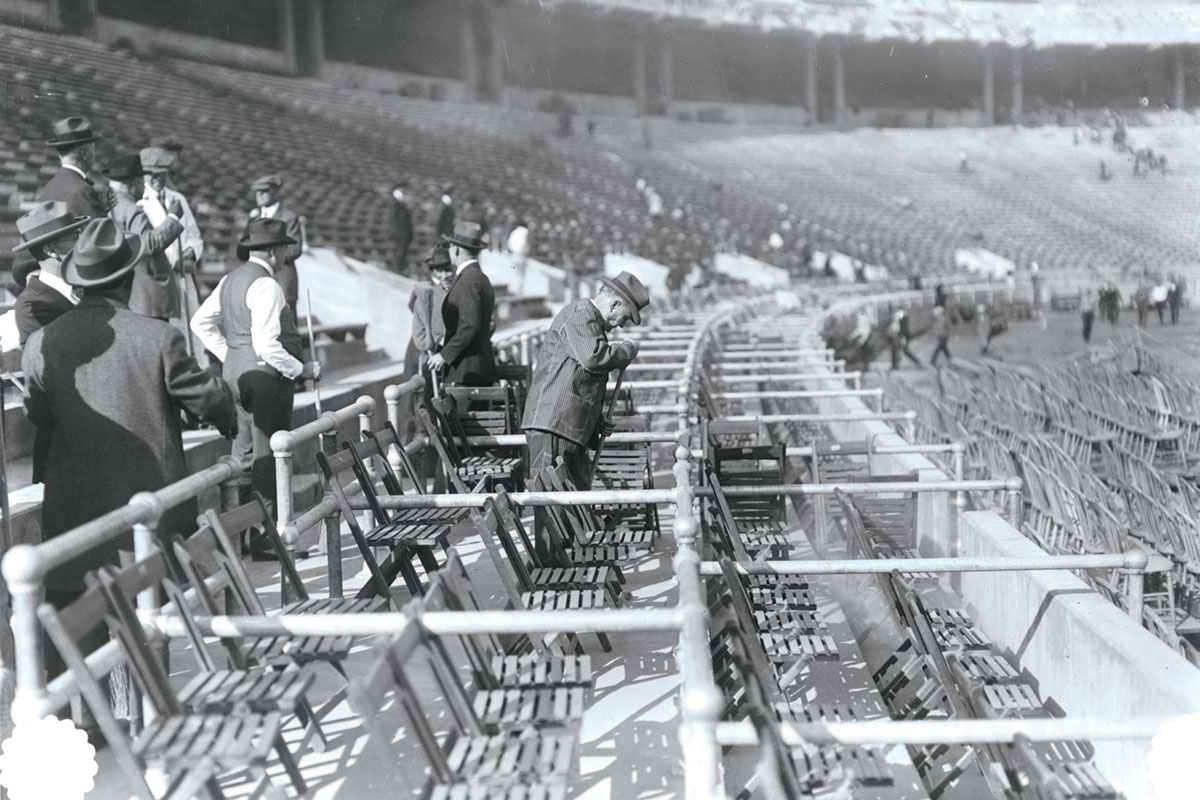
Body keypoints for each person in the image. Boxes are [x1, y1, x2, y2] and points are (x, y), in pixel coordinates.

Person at [22, 216, 236, 680]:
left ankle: (94, 720)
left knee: (81, 616)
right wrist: (228, 415)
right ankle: (143, 705)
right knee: (147, 616)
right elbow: (205, 397)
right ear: (128, 276)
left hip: (74, 507)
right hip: (149, 507)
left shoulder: (40, 344)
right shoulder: (158, 337)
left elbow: (39, 415)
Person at [191, 218, 321, 511]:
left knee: (245, 453)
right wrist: (303, 370)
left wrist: (231, 354)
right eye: (285, 250)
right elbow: (265, 344)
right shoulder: (267, 285)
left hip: (234, 375)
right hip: (265, 379)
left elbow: (199, 322)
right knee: (270, 455)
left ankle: (243, 532)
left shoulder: (229, 279)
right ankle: (266, 536)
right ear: (274, 251)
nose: (287, 257)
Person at [521, 271, 648, 558]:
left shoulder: (591, 323)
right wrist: (625, 350)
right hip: (552, 425)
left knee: (574, 500)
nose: (620, 325)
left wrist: (595, 419)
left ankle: (568, 562)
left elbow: (579, 380)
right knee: (551, 501)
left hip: (569, 427)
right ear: (614, 304)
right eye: (624, 318)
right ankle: (548, 569)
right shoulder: (580, 314)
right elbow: (593, 359)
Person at [103, 154, 186, 321]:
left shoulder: (113, 207)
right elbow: (148, 244)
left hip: (131, 294)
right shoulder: (130, 209)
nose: (144, 185)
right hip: (147, 296)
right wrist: (173, 218)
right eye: (142, 181)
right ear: (133, 183)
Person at [141, 146, 205, 339]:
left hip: (185, 274)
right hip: (161, 277)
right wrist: (174, 261)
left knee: (192, 327)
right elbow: (146, 241)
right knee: (173, 331)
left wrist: (191, 252)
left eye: (161, 174)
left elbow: (193, 233)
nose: (157, 179)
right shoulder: (140, 202)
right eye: (151, 174)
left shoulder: (178, 198)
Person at [427, 211, 497, 387]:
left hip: (468, 371)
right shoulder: (479, 277)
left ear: (455, 249)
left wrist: (444, 354)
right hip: (475, 368)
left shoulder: (468, 280)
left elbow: (470, 325)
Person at [10, 201, 89, 345]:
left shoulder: (88, 283)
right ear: (51, 250)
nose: (84, 242)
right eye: (75, 237)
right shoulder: (32, 307)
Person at [245, 174, 303, 310]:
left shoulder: (288, 217)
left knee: (286, 328)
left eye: (264, 191)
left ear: (276, 193)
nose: (259, 195)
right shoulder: (254, 218)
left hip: (282, 280)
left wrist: (265, 258)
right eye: (257, 191)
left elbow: (294, 250)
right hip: (258, 281)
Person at [38, 116, 107, 218]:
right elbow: (104, 232)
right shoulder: (82, 191)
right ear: (84, 152)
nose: (94, 153)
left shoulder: (47, 190)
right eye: (93, 148)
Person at [390, 181, 413, 275]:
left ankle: (399, 268)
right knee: (399, 250)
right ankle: (397, 268)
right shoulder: (397, 200)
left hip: (404, 230)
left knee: (402, 250)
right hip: (400, 230)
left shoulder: (402, 201)